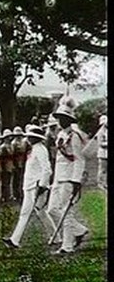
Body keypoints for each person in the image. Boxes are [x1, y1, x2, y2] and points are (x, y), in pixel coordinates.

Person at [46, 96, 89, 254]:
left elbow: (79, 159)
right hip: (58, 177)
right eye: (59, 118)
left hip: (69, 177)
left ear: (69, 119)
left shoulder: (74, 136)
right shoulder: (61, 134)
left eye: (64, 118)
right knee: (51, 210)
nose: (60, 121)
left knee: (66, 211)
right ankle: (78, 231)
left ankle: (67, 245)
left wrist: (76, 180)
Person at [3, 126, 53, 249]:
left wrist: (42, 185)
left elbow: (47, 169)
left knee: (30, 212)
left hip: (36, 186)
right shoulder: (34, 149)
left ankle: (15, 240)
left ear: (36, 138)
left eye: (31, 137)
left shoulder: (40, 149)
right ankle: (55, 236)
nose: (28, 138)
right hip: (30, 185)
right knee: (36, 212)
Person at [96, 114, 107, 191]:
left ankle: (105, 183)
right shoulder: (100, 132)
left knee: (105, 169)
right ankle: (100, 183)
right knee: (102, 169)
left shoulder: (106, 131)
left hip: (106, 153)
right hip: (102, 153)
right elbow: (100, 144)